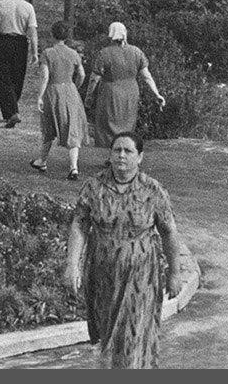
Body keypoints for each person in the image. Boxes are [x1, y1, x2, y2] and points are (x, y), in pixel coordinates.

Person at [64, 131, 183, 369]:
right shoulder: (94, 187)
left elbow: (169, 232)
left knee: (132, 336)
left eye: (128, 151)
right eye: (117, 150)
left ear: (139, 157)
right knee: (107, 337)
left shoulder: (152, 190)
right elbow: (79, 224)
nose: (121, 155)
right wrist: (72, 265)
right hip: (102, 276)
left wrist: (175, 272)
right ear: (110, 154)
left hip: (140, 278)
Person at [84, 22, 165, 153]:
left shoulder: (104, 53)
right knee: (127, 124)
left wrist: (89, 95)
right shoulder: (137, 52)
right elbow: (147, 76)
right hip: (131, 93)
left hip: (110, 93)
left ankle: (111, 154)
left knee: (108, 125)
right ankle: (124, 151)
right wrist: (157, 94)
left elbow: (94, 78)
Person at [30, 21, 88, 180]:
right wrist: (74, 86)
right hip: (70, 90)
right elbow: (82, 74)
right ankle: (74, 167)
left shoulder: (48, 53)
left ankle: (42, 161)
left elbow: (45, 76)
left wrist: (40, 96)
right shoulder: (73, 53)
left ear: (52, 34)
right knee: (72, 126)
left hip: (53, 91)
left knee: (48, 127)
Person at [0, 0, 38, 128]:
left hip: (4, 41)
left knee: (3, 78)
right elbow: (32, 31)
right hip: (21, 43)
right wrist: (34, 52)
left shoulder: (1, 5)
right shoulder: (28, 7)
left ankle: (11, 111)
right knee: (17, 77)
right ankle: (12, 108)